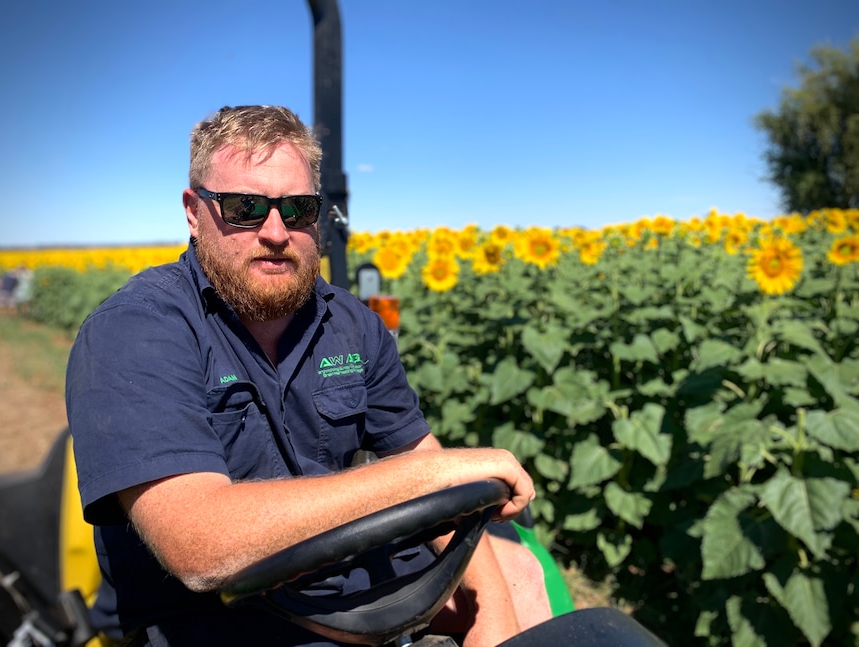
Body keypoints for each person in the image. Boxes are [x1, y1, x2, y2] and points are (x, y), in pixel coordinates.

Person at [66, 105, 551, 646]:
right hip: (216, 618)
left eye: (297, 209)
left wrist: (493, 614)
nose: (275, 231)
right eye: (245, 208)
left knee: (523, 574)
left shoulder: (352, 322)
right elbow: (199, 547)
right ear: (193, 211)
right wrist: (433, 477)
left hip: (350, 573)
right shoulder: (136, 331)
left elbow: (421, 458)